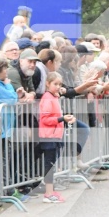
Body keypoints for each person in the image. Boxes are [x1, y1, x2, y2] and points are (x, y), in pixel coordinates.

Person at [38, 72, 75, 203]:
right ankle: (48, 193)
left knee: (52, 164)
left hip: (54, 135)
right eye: (55, 84)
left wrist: (65, 118)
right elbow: (45, 119)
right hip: (49, 136)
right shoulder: (47, 98)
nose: (58, 87)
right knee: (50, 164)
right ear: (48, 84)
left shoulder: (54, 97)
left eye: (60, 84)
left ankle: (51, 191)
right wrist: (62, 118)